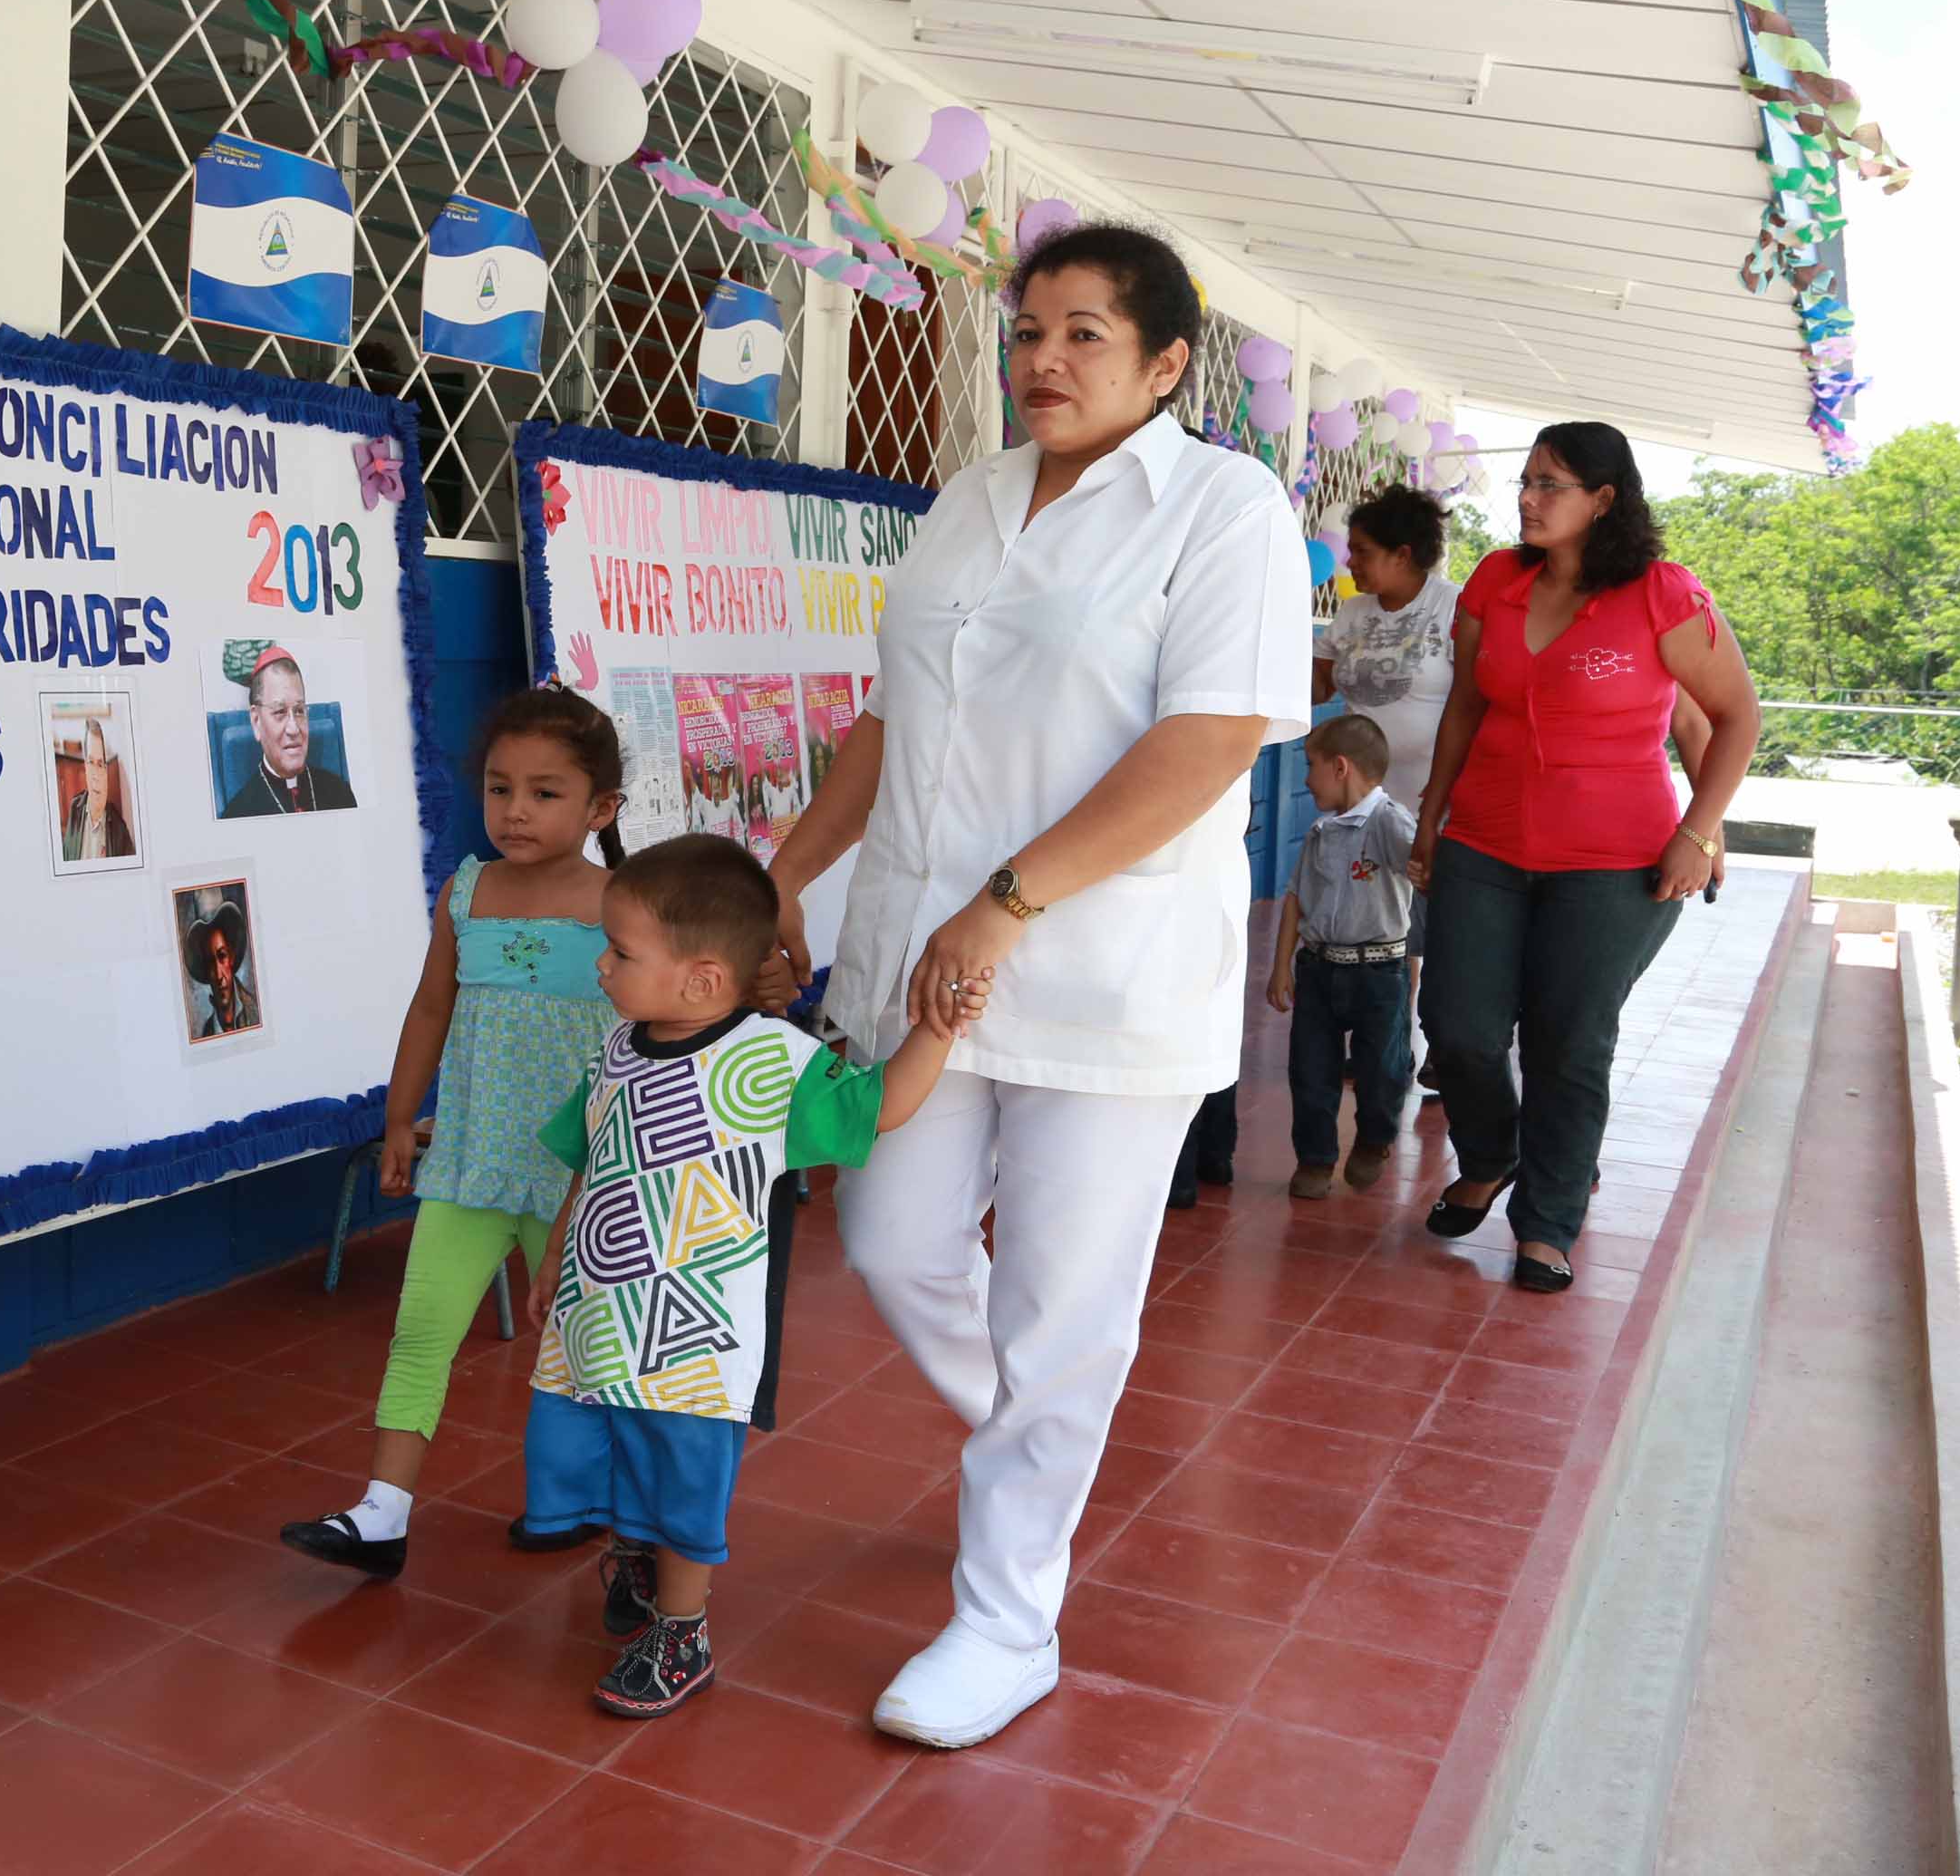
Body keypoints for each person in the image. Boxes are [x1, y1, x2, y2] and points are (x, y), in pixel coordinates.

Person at [762, 221, 1312, 1750]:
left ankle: (1009, 1621)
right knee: (889, 1236)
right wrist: (786, 876)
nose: (1044, 362)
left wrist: (1012, 903)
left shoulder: (1226, 508)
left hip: (1093, 971)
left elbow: (1208, 741)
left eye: (1083, 335)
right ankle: (1029, 1440)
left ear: (1167, 362)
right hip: (916, 959)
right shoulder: (970, 499)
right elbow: (894, 720)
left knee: (1068, 1305)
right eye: (1027, 333)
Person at [518, 836, 988, 1717]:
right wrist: (553, 1258)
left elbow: (878, 1105)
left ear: (700, 979)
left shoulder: (771, 1062)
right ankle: (636, 1557)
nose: (603, 967)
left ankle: (683, 1630)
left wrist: (938, 1028)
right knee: (613, 1451)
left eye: (620, 952)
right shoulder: (617, 1050)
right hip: (599, 1315)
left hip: (693, 1339)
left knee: (682, 1473)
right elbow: (591, 1157)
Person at [281, 689, 627, 1581]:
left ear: (601, 808)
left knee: (589, 1347)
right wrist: (400, 1119)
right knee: (421, 1329)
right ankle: (382, 1514)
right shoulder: (466, 891)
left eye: (545, 793)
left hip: (578, 1173)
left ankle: (604, 1509)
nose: (515, 808)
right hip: (470, 1157)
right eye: (500, 786)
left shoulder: (623, 904)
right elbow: (433, 1004)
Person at [1408, 422, 1762, 1293]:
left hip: (1617, 860)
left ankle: (1548, 1221)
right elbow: (1463, 708)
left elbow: (1735, 717)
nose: (1527, 498)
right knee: (1459, 1028)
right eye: (1525, 481)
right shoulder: (1496, 579)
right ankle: (1492, 1156)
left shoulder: (1663, 594)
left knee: (1570, 1040)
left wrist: (1700, 829)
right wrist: (1431, 814)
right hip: (1484, 841)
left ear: (1604, 500)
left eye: (1550, 485)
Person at [1318, 485, 1460, 1047]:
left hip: (1437, 795)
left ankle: (1446, 1044)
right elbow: (1313, 685)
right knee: (1381, 921)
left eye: (1361, 551)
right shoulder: (1352, 612)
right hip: (1364, 801)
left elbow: (1477, 697)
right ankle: (1387, 1040)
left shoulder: (1453, 606)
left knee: (1441, 925)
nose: (1349, 562)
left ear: (1403, 554)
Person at [1266, 713, 1419, 1195]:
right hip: (1319, 969)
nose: (1304, 779)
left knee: (1382, 1072)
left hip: (1380, 973)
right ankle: (1315, 1159)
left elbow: (1420, 858)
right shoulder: (1320, 831)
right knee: (1310, 1071)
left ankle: (1374, 1140)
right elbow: (1295, 897)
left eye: (1310, 765)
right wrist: (1281, 967)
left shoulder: (1389, 822)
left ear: (1340, 768)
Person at [222, 643, 356, 816]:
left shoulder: (340, 794)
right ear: (256, 722)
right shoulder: (237, 814)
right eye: (279, 712)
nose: (294, 729)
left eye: (299, 711)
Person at [61, 716, 139, 863]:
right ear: (85, 766)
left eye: (100, 764)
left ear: (107, 772)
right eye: (91, 762)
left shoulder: (119, 830)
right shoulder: (75, 808)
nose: (96, 775)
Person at [188, 899, 261, 1038]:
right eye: (210, 962)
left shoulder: (256, 1011)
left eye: (222, 956)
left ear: (232, 957)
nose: (218, 974)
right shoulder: (207, 1033)